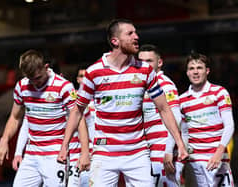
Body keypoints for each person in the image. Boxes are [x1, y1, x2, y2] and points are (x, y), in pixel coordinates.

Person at [57, 18, 188, 187]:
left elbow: (164, 108)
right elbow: (77, 111)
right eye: (130, 33)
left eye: (136, 32)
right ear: (115, 41)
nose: (136, 37)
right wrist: (64, 145)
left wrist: (179, 143)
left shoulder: (145, 70)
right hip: (104, 154)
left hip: (137, 154)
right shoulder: (94, 72)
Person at [0, 49, 89, 187]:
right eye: (30, 79)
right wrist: (4, 140)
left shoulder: (63, 86)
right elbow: (15, 117)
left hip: (55, 154)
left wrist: (85, 152)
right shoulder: (22, 86)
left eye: (37, 78)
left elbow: (79, 119)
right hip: (32, 154)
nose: (34, 83)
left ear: (46, 67)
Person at [180, 52, 235, 187]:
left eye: (200, 68)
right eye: (191, 68)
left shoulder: (220, 92)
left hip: (217, 158)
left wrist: (219, 153)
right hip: (194, 161)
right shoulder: (181, 100)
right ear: (187, 72)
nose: (195, 72)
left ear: (207, 71)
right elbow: (185, 132)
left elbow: (229, 125)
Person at [137, 44, 183, 187]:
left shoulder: (165, 84)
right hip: (146, 147)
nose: (145, 65)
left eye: (149, 61)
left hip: (162, 147)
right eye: (141, 61)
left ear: (160, 63)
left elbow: (176, 117)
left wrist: (168, 150)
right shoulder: (140, 84)